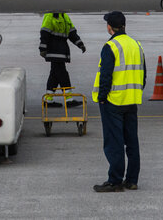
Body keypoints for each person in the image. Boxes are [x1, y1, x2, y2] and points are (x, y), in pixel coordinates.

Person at [92, 11, 147, 193]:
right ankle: (131, 180)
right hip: (131, 101)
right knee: (132, 142)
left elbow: (106, 76)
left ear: (110, 27)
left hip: (113, 102)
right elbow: (143, 75)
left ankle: (115, 181)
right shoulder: (136, 44)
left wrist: (101, 98)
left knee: (114, 142)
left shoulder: (111, 46)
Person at [39, 12, 86, 107]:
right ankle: (69, 99)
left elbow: (72, 33)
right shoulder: (50, 16)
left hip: (62, 50)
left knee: (54, 75)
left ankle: (48, 99)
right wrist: (42, 48)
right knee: (62, 74)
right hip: (54, 50)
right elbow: (44, 32)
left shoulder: (65, 17)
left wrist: (80, 44)